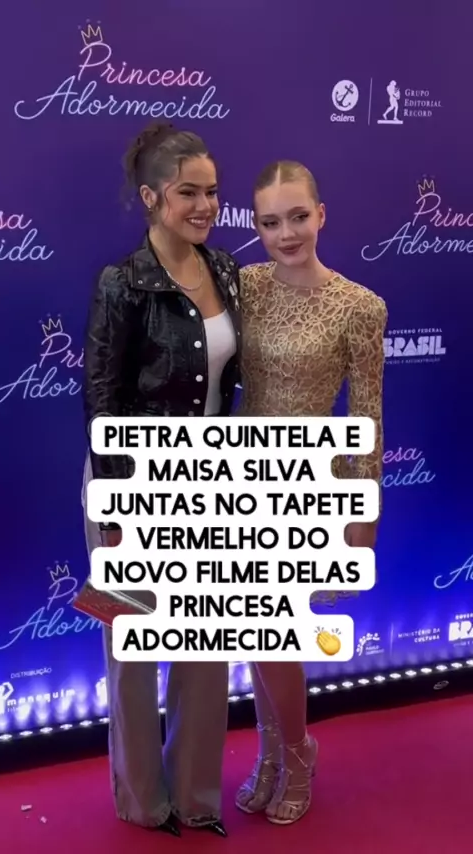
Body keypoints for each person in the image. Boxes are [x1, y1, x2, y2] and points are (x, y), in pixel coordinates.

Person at [82, 120, 241, 838]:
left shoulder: (228, 271)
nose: (206, 206)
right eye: (188, 193)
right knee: (134, 648)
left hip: (209, 483)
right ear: (151, 197)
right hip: (130, 482)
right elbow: (100, 398)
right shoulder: (122, 283)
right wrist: (118, 509)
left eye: (212, 192)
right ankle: (144, 803)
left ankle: (198, 797)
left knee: (207, 649)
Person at [234, 160, 387, 825]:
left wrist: (364, 506)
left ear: (321, 214)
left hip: (306, 484)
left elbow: (368, 414)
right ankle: (272, 752)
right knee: (252, 629)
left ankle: (297, 753)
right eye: (271, 222)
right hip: (239, 475)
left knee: (273, 630)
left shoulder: (360, 306)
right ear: (257, 227)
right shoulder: (245, 286)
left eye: (298, 217)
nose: (286, 234)